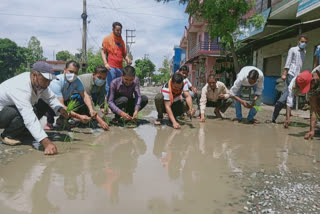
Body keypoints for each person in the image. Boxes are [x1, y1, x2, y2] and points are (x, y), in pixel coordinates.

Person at [0, 61, 69, 155]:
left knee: (42, 104)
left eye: (50, 81)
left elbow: (51, 98)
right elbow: (29, 117)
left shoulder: (41, 85)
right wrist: (46, 143)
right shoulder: (20, 86)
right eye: (45, 80)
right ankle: (8, 135)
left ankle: (24, 132)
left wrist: (60, 108)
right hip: (3, 113)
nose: (48, 84)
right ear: (34, 75)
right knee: (22, 113)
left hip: (10, 111)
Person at [46, 60, 93, 129]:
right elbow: (61, 105)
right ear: (65, 70)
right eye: (71, 71)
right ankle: (49, 123)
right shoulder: (57, 81)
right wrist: (79, 116)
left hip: (65, 100)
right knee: (52, 107)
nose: (73, 75)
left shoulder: (77, 80)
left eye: (76, 73)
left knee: (77, 101)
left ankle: (62, 120)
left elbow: (85, 95)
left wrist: (91, 109)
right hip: (51, 102)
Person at [272, 35, 308, 123]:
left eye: (305, 42)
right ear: (298, 41)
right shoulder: (293, 50)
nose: (304, 44)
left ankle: (287, 113)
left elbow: (300, 65)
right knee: (288, 93)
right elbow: (288, 62)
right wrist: (284, 74)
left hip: (298, 76)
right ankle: (276, 113)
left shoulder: (304, 52)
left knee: (291, 94)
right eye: (302, 41)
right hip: (290, 74)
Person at [73, 65, 110, 130]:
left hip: (89, 96)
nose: (101, 79)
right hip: (75, 97)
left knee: (95, 96)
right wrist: (100, 121)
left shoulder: (103, 83)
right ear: (93, 75)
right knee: (83, 99)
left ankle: (88, 114)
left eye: (104, 78)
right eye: (99, 77)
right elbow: (88, 99)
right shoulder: (87, 81)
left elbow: (101, 95)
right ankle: (77, 115)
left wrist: (102, 108)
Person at [101, 22, 132, 96]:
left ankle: (116, 104)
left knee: (119, 86)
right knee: (110, 86)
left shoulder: (122, 41)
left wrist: (128, 59)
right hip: (111, 67)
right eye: (117, 30)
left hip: (120, 68)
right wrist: (105, 63)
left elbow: (124, 54)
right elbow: (103, 52)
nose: (119, 32)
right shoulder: (107, 39)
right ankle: (107, 105)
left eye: (120, 30)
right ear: (113, 29)